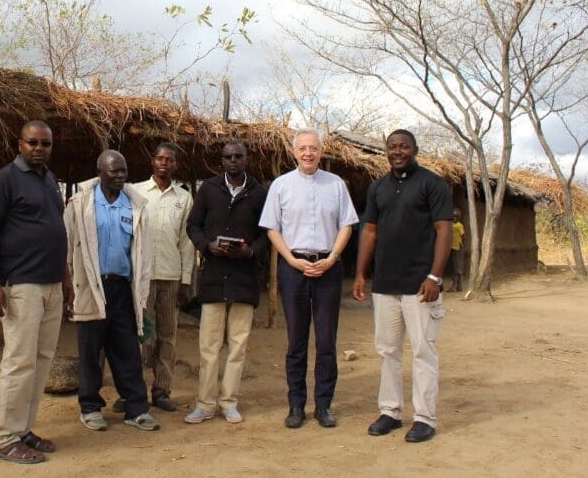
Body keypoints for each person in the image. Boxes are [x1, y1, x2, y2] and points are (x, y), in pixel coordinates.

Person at [352, 129, 452, 444]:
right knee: (388, 350)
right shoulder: (378, 187)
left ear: (414, 149)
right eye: (393, 147)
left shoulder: (432, 184)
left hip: (420, 284)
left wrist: (435, 276)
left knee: (423, 350)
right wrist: (360, 273)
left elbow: (443, 230)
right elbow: (369, 231)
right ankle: (391, 412)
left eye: (404, 146)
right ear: (386, 151)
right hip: (385, 284)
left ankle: (424, 418)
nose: (398, 151)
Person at [0, 120, 72, 465]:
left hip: (51, 284)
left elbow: (56, 232)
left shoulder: (49, 180)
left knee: (42, 360)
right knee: (19, 362)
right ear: (19, 144)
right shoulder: (5, 178)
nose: (39, 148)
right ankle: (4, 438)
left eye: (45, 144)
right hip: (21, 284)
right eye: (32, 142)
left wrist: (65, 277)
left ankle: (22, 430)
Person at [259, 129, 358, 429]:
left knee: (326, 340)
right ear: (294, 152)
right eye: (302, 148)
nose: (308, 153)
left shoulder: (336, 184)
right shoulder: (281, 185)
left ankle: (324, 405)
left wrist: (332, 258)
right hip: (293, 269)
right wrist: (291, 260)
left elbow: (347, 225)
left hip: (328, 267)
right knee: (296, 342)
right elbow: (271, 228)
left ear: (321, 150)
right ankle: (296, 405)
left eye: (313, 148)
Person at [67, 149, 160, 433]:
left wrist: (141, 291)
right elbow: (68, 246)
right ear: (100, 171)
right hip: (91, 286)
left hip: (122, 287)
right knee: (91, 350)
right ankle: (91, 408)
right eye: (114, 171)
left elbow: (142, 251)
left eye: (123, 170)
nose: (120, 176)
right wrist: (69, 286)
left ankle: (136, 409)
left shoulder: (134, 205)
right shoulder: (81, 203)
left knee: (128, 350)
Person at [184, 141, 269, 425]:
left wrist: (251, 252)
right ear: (221, 161)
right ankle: (205, 404)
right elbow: (192, 226)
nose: (233, 161)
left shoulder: (259, 193)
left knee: (238, 344)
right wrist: (208, 247)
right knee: (208, 346)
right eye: (228, 157)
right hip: (214, 277)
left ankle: (229, 402)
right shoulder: (209, 189)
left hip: (244, 279)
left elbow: (268, 233)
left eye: (238, 156)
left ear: (247, 158)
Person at [131, 142, 195, 412]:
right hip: (141, 278)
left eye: (169, 160)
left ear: (175, 165)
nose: (164, 163)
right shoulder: (135, 192)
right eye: (160, 158)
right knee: (140, 334)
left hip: (170, 277)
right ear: (152, 162)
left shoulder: (184, 198)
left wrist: (186, 280)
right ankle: (133, 391)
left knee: (168, 335)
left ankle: (162, 390)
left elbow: (186, 242)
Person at [450, 208, 465, 292]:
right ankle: (457, 286)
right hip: (452, 247)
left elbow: (463, 236)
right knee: (453, 266)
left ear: (459, 218)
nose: (454, 218)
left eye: (456, 217)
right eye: (453, 217)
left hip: (458, 248)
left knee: (457, 266)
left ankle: (456, 286)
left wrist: (461, 244)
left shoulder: (459, 225)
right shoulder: (450, 224)